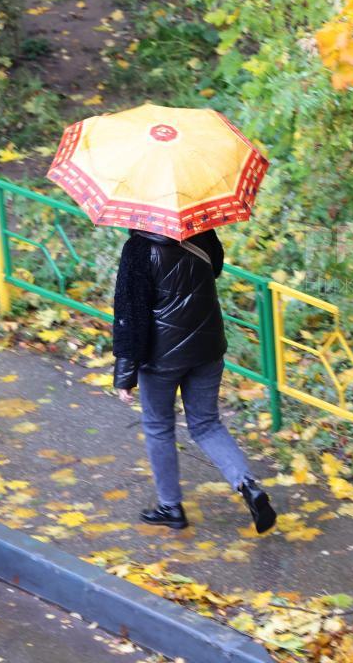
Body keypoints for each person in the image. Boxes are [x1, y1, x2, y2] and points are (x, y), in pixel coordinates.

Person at [112, 227, 277, 533]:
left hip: (161, 357)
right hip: (206, 346)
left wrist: (125, 374)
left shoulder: (138, 249)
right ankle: (247, 485)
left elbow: (130, 315)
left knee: (159, 426)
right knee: (206, 423)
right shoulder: (201, 231)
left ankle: (170, 506)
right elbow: (214, 268)